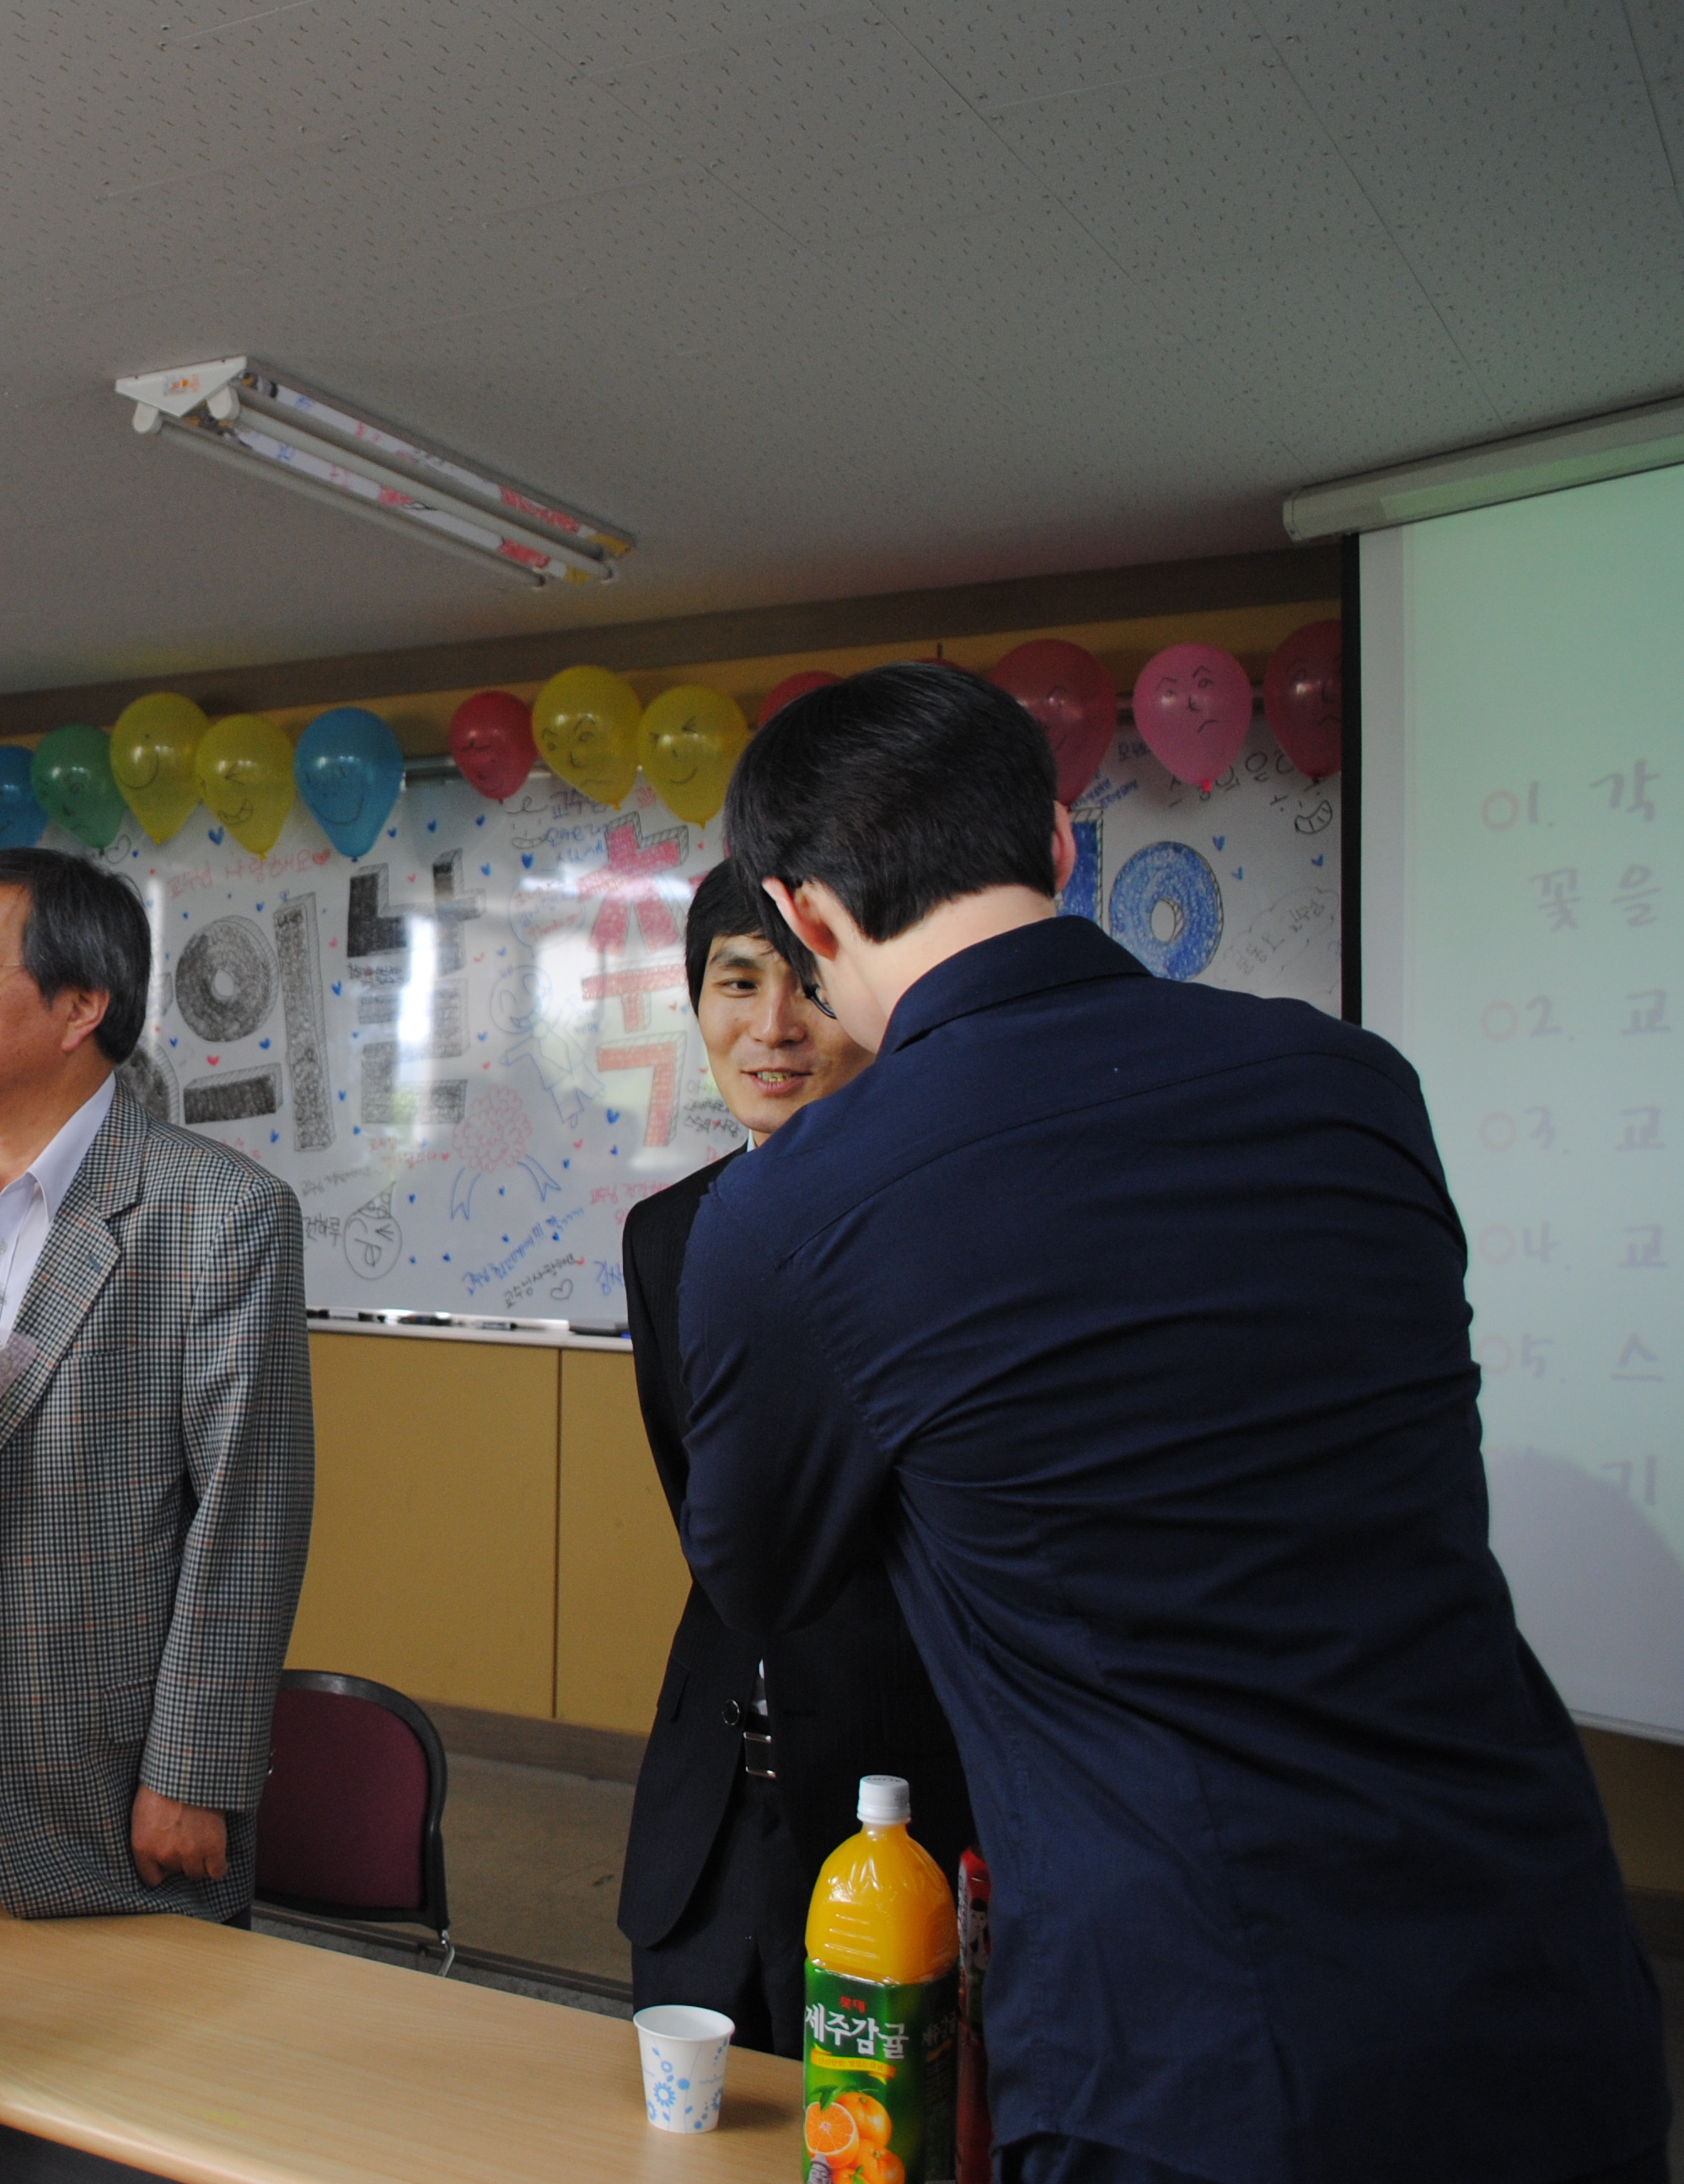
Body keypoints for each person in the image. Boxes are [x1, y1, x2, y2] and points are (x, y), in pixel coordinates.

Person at [682, 664, 1669, 2184]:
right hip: (1548, 1980)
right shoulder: (1353, 1085)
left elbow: (762, 1575)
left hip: (1201, 2051)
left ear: (803, 916)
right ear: (1060, 843)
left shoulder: (795, 1209)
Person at [0, 848, 314, 1923]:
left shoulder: (218, 1212)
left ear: (80, 1006)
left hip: (100, 1758)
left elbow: (249, 1514)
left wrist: (192, 1769)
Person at [614, 864, 973, 2053]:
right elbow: (705, 1510)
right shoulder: (666, 1235)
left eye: (809, 986)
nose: (772, 1027)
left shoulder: (951, 1218)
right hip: (709, 1801)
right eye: (736, 983)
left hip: (903, 1791)